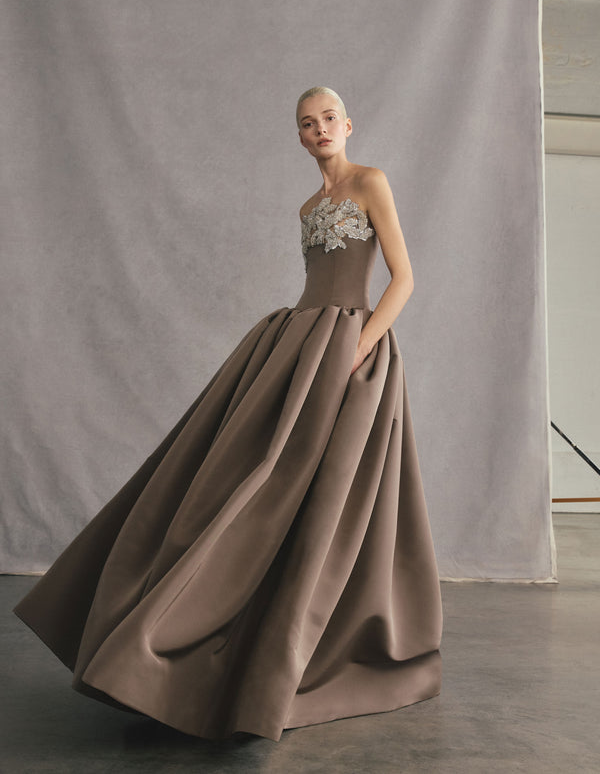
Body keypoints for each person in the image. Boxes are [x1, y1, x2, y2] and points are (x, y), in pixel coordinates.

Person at [14, 86, 443, 743]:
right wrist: (313, 346)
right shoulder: (307, 207)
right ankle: (188, 632)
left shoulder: (370, 181)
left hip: (351, 351)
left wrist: (358, 348)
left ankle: (300, 645)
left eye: (329, 118)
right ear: (299, 137)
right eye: (307, 123)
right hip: (297, 341)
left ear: (348, 125)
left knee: (328, 495)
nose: (320, 128)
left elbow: (404, 277)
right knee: (253, 479)